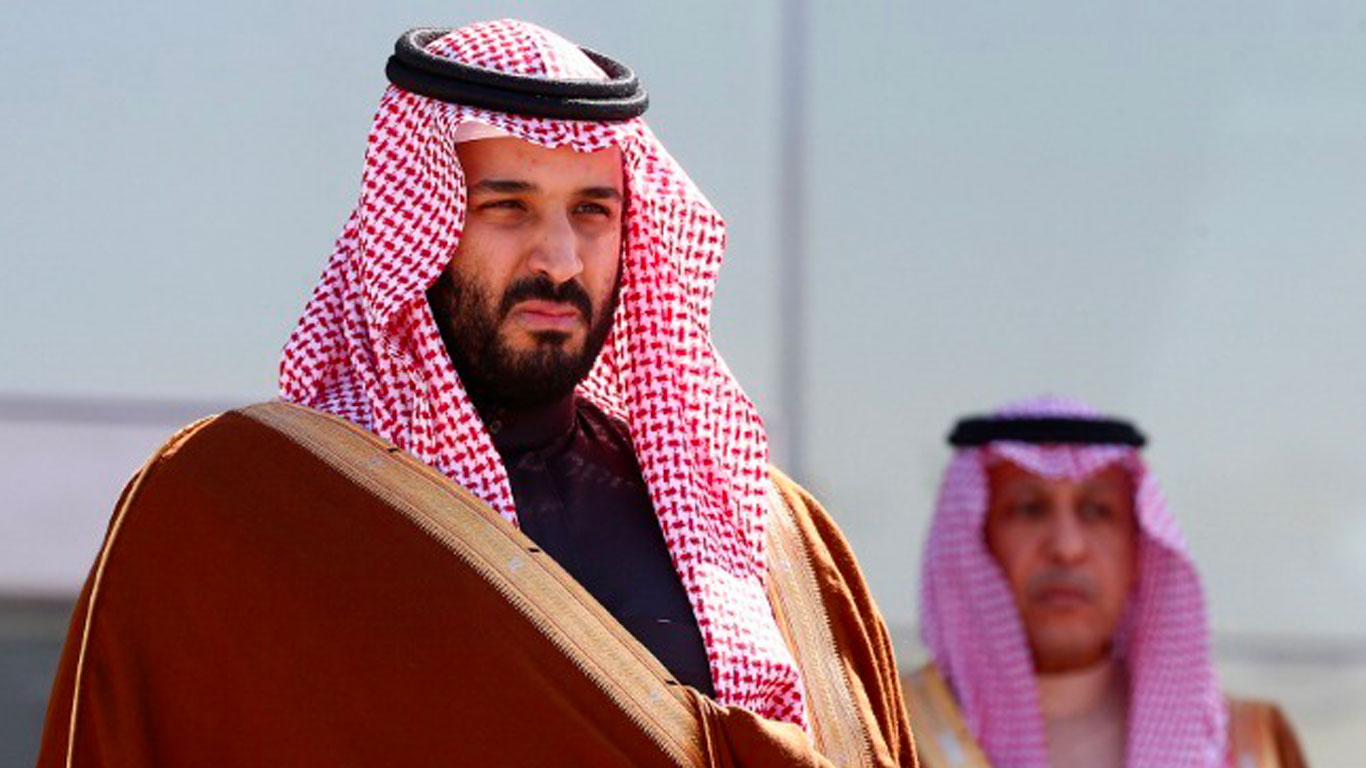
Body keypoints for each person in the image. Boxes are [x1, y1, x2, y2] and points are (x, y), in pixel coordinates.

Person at [37, 20, 916, 767]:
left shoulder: (768, 535)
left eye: (593, 211)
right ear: (414, 226)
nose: (560, 260)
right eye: (507, 207)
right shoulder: (238, 506)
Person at [904, 396, 1307, 768]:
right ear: (974, 540)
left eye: (1097, 511)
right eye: (1029, 509)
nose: (1067, 548)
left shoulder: (1250, 746)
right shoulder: (888, 735)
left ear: (1139, 548)